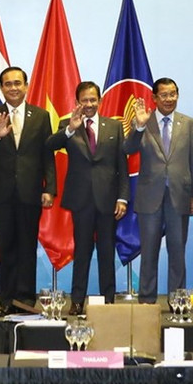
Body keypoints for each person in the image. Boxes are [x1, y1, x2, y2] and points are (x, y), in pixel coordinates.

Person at [0, 67, 57, 317]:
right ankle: (7, 301)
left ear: (26, 85)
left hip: (31, 192)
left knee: (27, 247)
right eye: (8, 84)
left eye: (17, 83)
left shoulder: (41, 116)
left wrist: (50, 188)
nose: (13, 88)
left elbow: (48, 155)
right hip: (2, 194)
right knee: (7, 248)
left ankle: (25, 300)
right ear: (1, 88)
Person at [46, 80, 129, 316]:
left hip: (108, 200)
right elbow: (49, 145)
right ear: (77, 102)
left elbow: (121, 165)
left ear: (100, 101)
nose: (89, 104)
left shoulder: (114, 127)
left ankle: (109, 302)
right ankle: (77, 302)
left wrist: (122, 198)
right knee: (81, 252)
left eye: (93, 100)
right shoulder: (68, 124)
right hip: (81, 199)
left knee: (106, 252)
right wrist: (70, 129)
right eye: (85, 100)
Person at [124, 78, 193, 305]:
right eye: (164, 95)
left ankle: (177, 300)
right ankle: (147, 300)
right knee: (149, 252)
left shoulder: (188, 123)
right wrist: (138, 127)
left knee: (177, 252)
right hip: (150, 197)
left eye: (173, 94)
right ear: (155, 98)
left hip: (180, 195)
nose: (169, 99)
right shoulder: (143, 122)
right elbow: (127, 149)